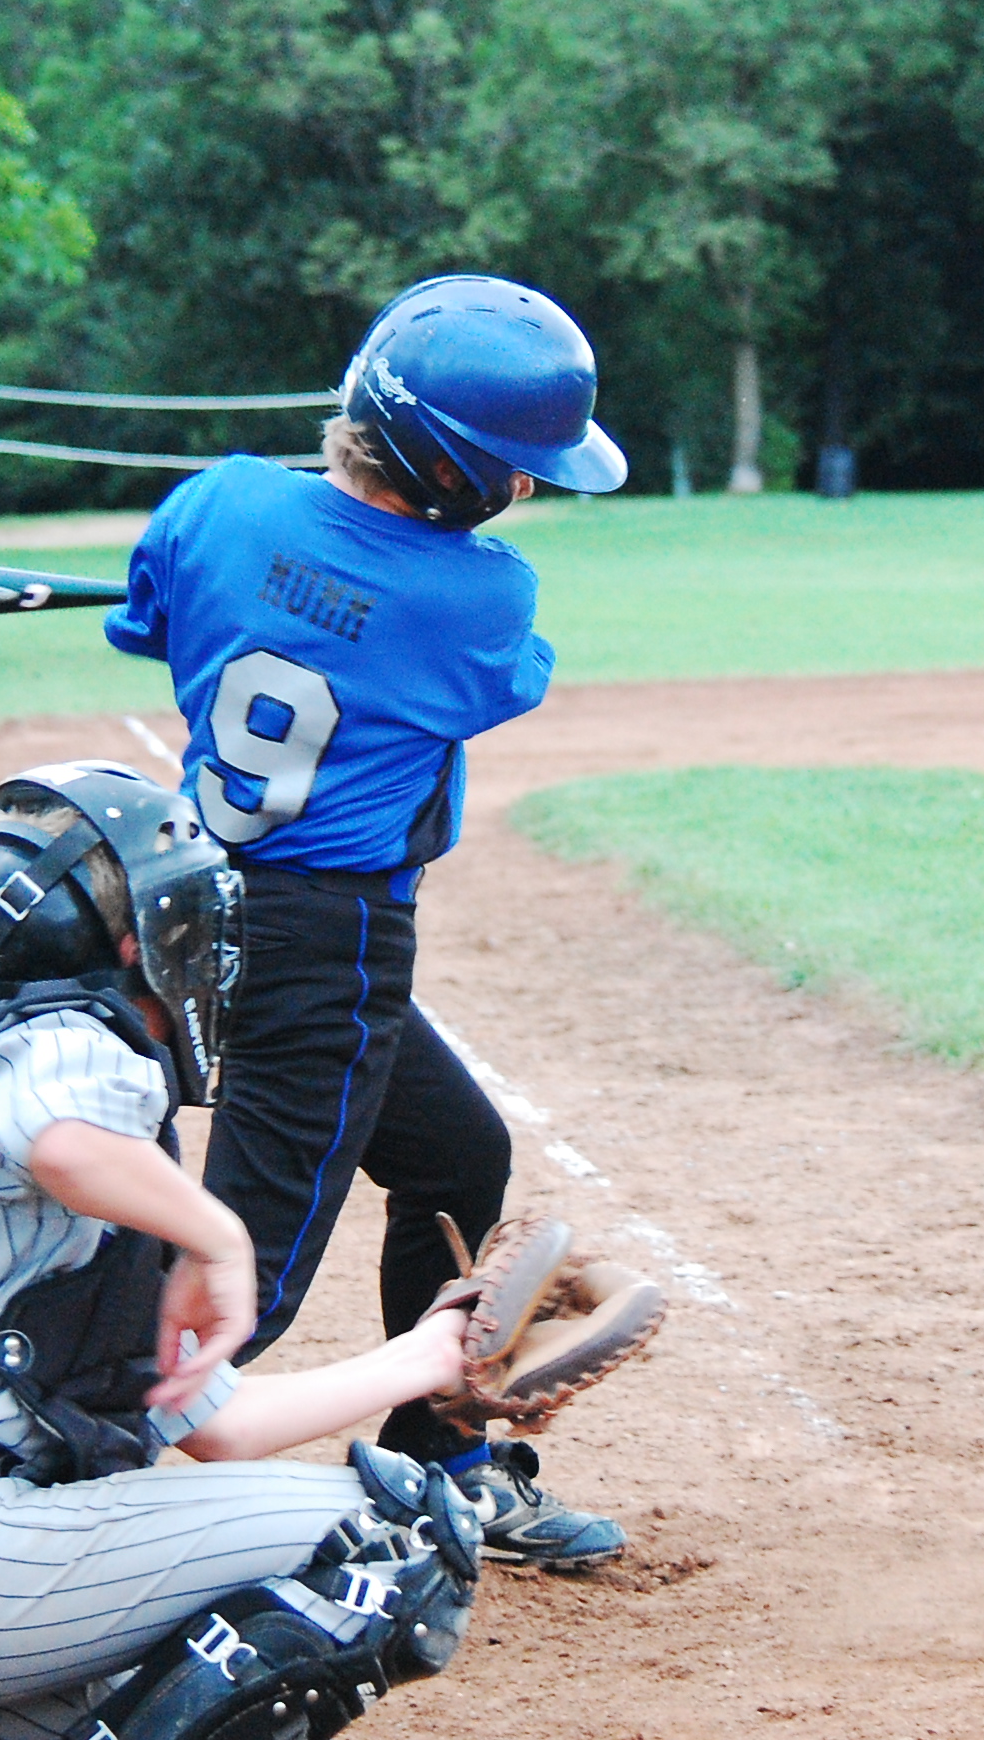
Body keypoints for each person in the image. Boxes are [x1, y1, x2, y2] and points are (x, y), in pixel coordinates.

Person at [0, 764, 489, 1740]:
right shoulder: (74, 1041)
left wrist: (429, 1356)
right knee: (393, 1539)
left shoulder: (88, 1136)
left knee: (179, 1657)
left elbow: (221, 1425)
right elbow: (59, 1140)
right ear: (138, 939)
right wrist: (219, 1233)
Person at [102, 274, 634, 1569]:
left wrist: (278, 588)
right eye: (514, 467)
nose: (527, 487)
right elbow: (491, 678)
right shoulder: (477, 596)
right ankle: (65, 1468)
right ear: (451, 472)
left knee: (454, 1154)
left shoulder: (218, 501)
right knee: (250, 1266)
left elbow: (152, 618)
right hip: (321, 943)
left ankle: (435, 1463)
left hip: (191, 907)